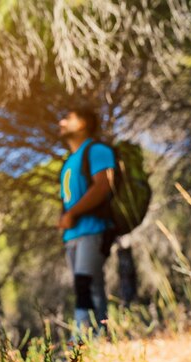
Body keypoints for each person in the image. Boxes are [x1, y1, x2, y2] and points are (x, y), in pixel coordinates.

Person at [58, 107, 116, 337]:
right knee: (90, 288)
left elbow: (103, 186)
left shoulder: (97, 150)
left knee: (85, 286)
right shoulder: (70, 161)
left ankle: (80, 344)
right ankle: (99, 340)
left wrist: (72, 214)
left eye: (67, 117)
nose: (61, 122)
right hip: (73, 235)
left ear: (83, 123)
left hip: (94, 231)